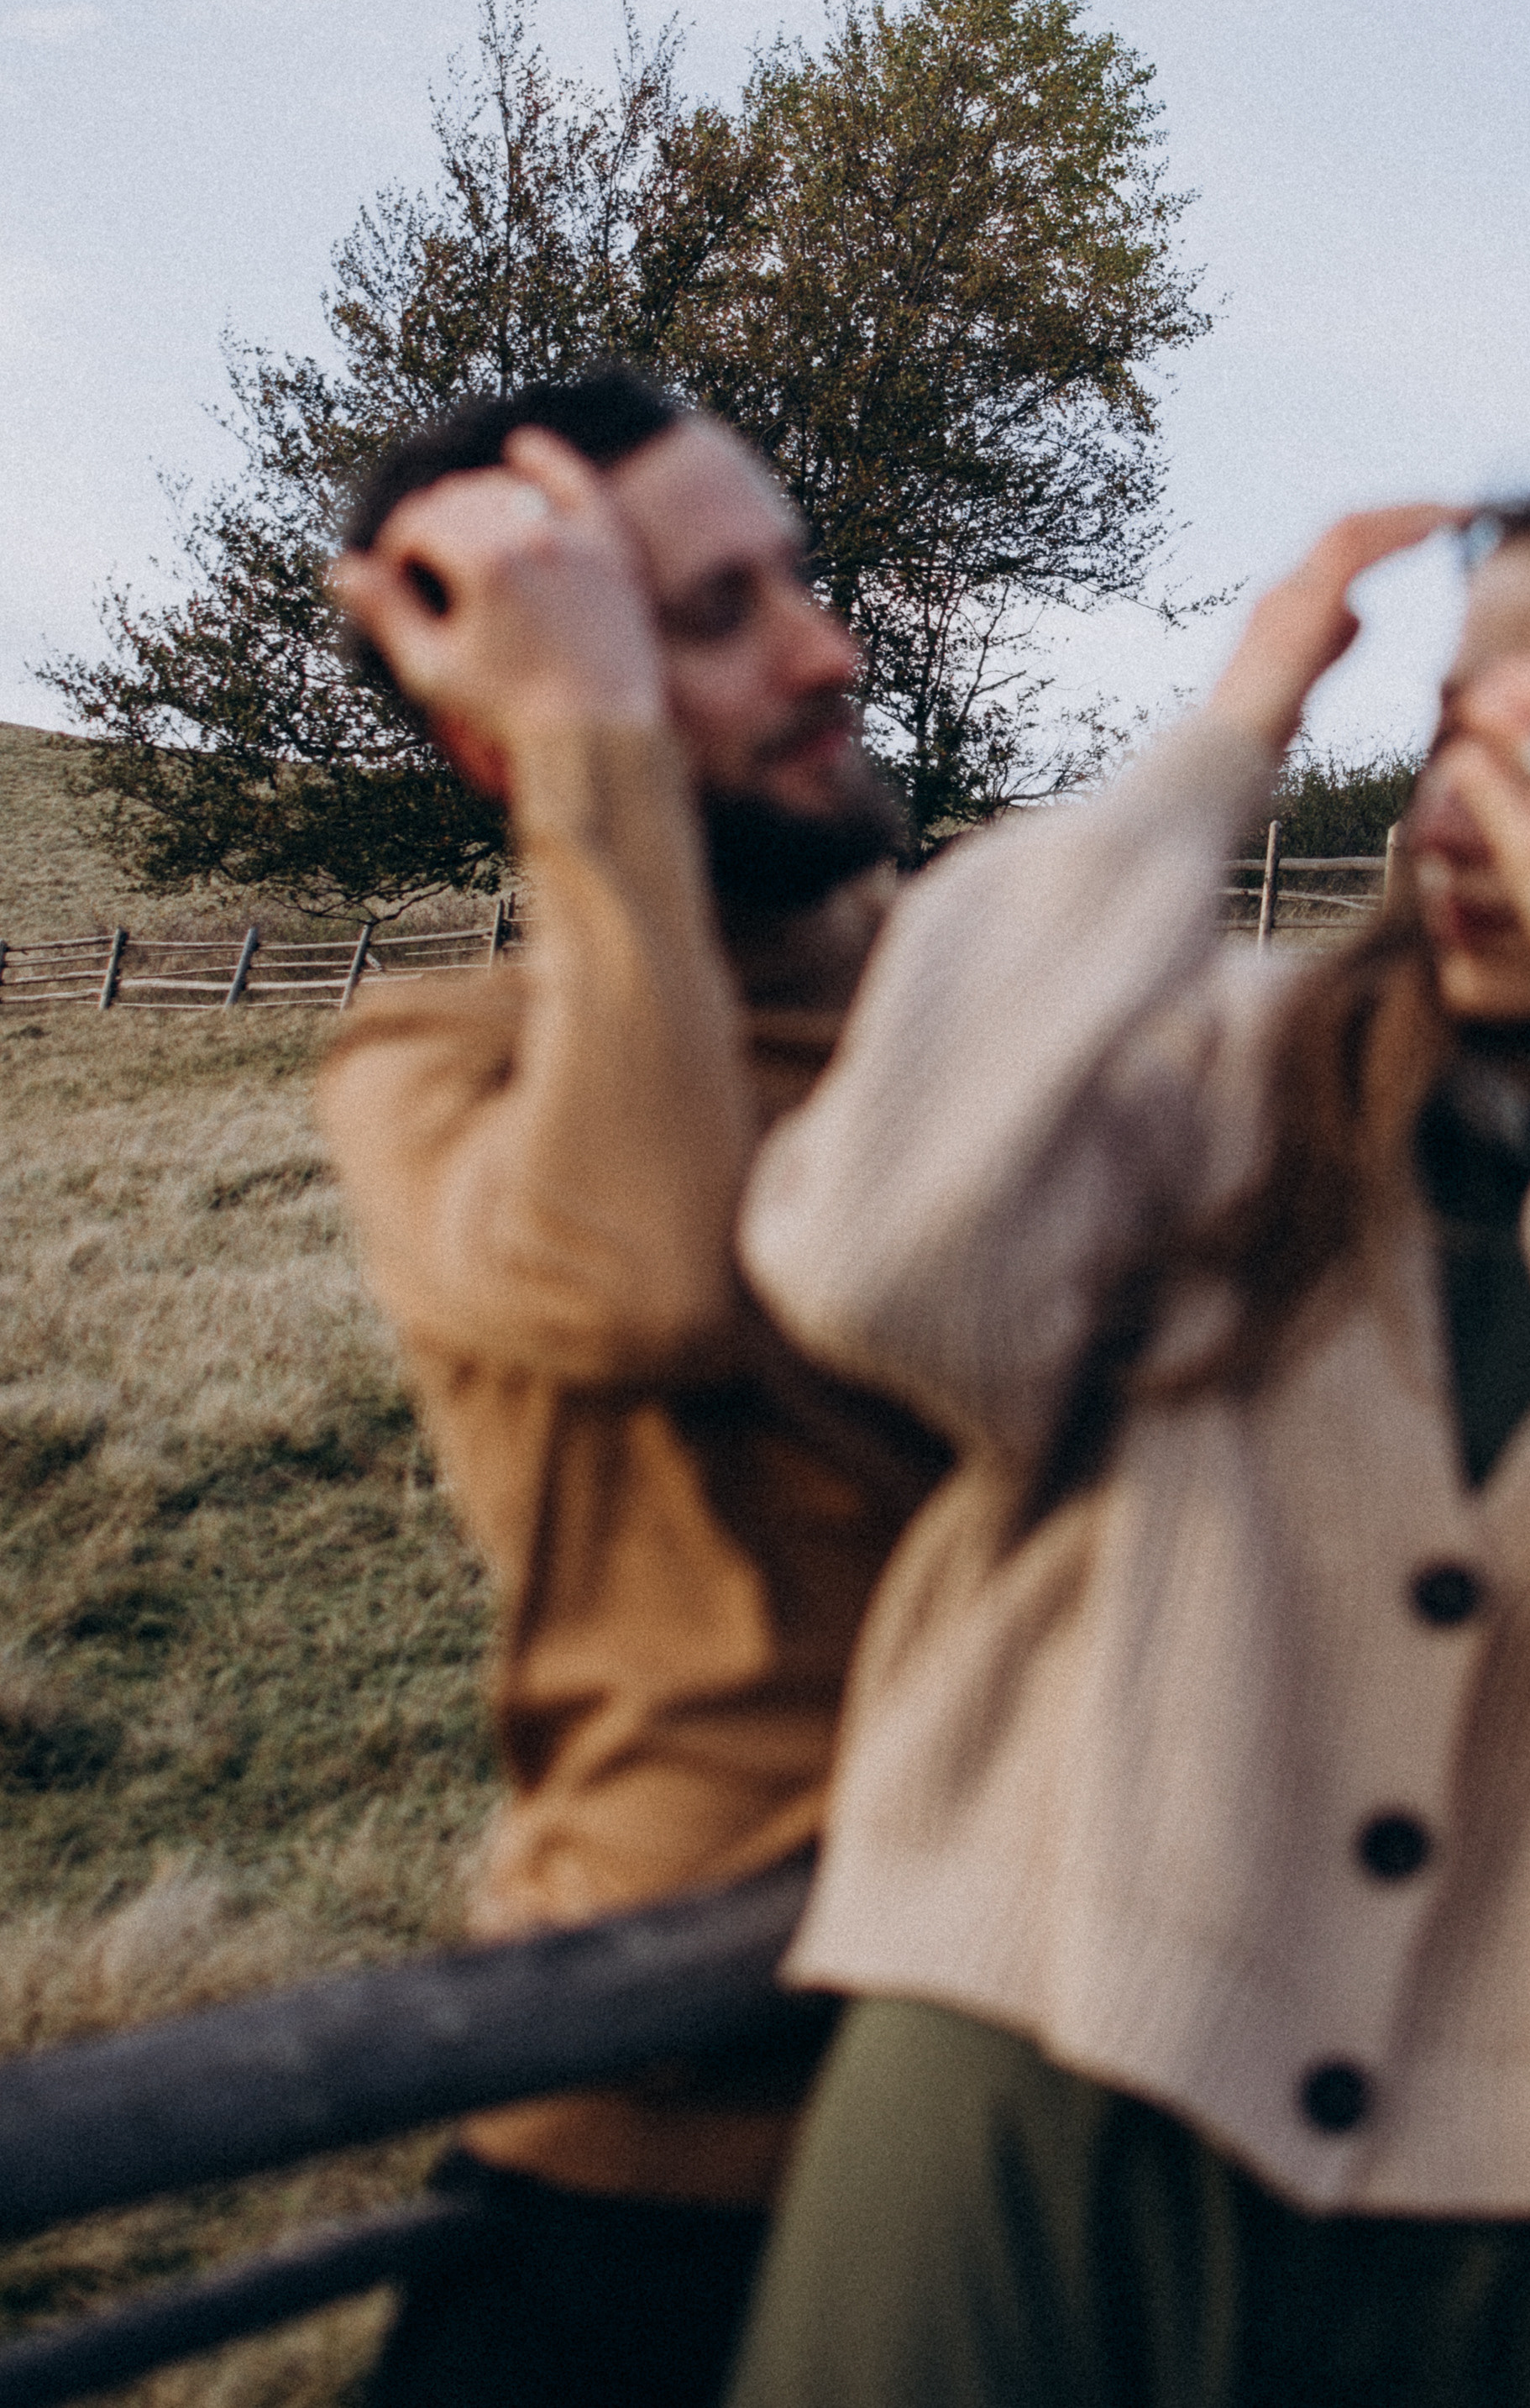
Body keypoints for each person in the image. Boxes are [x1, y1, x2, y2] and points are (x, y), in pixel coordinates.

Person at [727, 491, 1530, 2408]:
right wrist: (1226, 742)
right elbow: (869, 1256)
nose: (1463, 798)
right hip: (1012, 2120)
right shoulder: (1230, 1065)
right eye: (1457, 721)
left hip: (1489, 2245)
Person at [318, 368, 947, 2408]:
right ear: (505, 704)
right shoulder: (439, 1070)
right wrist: (583, 747)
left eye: (798, 580)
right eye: (703, 615)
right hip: (661, 2141)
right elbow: (646, 1276)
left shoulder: (982, 998)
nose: (825, 651)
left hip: (1062, 2103)